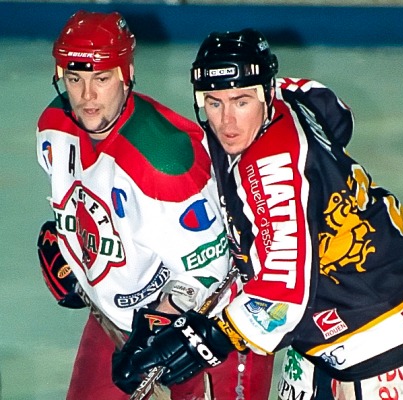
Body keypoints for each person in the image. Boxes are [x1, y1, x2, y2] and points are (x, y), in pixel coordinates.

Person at [113, 28, 403, 399]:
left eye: (241, 102)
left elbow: (282, 298)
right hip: (326, 322)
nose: (227, 122)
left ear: (266, 93)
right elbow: (336, 114)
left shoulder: (272, 173)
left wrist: (204, 340)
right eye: (214, 102)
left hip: (384, 328)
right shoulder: (287, 96)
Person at [36, 12, 274, 400]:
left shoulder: (164, 161)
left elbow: (210, 269)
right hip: (117, 318)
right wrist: (70, 248)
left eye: (101, 79)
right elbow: (89, 205)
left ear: (126, 75)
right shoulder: (53, 128)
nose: (87, 96)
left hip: (213, 329)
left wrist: (158, 325)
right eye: (75, 79)